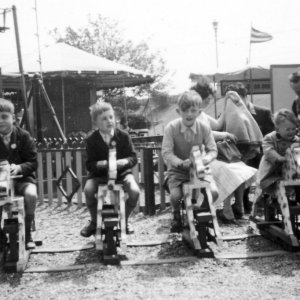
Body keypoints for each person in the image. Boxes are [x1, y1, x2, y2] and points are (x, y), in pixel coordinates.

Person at [190, 78, 257, 222]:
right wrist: (224, 134)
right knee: (230, 172)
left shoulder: (202, 114)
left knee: (240, 169)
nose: (210, 101)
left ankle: (234, 208)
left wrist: (229, 103)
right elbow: (202, 134)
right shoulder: (191, 114)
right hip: (199, 158)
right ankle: (225, 210)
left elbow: (218, 124)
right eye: (208, 98)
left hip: (211, 156)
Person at [161, 90, 219, 233]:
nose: (189, 114)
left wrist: (204, 160)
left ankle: (202, 213)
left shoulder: (204, 127)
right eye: (185, 110)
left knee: (214, 192)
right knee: (176, 196)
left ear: (199, 112)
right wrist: (180, 162)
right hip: (178, 170)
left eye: (193, 110)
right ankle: (176, 216)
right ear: (178, 111)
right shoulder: (171, 128)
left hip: (199, 168)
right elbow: (166, 152)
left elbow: (213, 150)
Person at [80, 101, 139, 237]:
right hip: (99, 175)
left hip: (121, 173)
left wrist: (124, 161)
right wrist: (102, 164)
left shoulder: (123, 136)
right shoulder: (91, 140)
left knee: (134, 191)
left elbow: (133, 157)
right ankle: (95, 221)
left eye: (111, 117)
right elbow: (89, 164)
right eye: (104, 119)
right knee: (88, 190)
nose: (109, 121)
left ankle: (124, 220)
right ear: (96, 123)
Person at [225, 82, 274, 213]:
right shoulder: (227, 115)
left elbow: (273, 137)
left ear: (245, 97)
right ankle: (241, 203)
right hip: (239, 156)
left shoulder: (263, 113)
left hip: (262, 155)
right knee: (237, 164)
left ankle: (266, 200)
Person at [0, 98, 38, 249]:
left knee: (31, 195)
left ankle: (27, 233)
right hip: (1, 181)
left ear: (13, 118)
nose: (0, 121)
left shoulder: (24, 136)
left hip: (23, 179)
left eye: (4, 117)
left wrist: (20, 168)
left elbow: (33, 162)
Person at [258, 109, 299, 195]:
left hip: (291, 172)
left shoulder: (297, 140)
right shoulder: (270, 138)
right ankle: (272, 198)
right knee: (271, 184)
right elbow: (268, 150)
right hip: (272, 170)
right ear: (277, 129)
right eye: (288, 129)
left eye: (293, 128)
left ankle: (293, 196)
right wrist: (278, 157)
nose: (291, 132)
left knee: (296, 182)